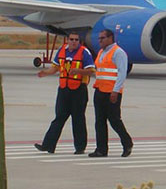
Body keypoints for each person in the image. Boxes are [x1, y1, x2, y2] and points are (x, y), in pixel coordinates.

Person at [34, 32, 95, 154]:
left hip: (78, 90)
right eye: (71, 39)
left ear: (79, 41)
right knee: (59, 117)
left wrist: (79, 71)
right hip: (64, 89)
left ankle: (80, 147)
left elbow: (91, 70)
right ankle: (48, 145)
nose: (74, 42)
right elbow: (55, 67)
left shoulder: (84, 52)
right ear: (67, 40)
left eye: (76, 40)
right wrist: (45, 73)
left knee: (78, 119)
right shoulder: (62, 50)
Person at [88, 28, 133, 158]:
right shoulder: (102, 52)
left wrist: (116, 91)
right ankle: (101, 149)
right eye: (99, 38)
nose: (99, 41)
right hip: (100, 90)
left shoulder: (118, 53)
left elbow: (121, 73)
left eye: (102, 38)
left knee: (114, 120)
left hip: (112, 92)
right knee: (99, 121)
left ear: (110, 38)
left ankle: (127, 143)